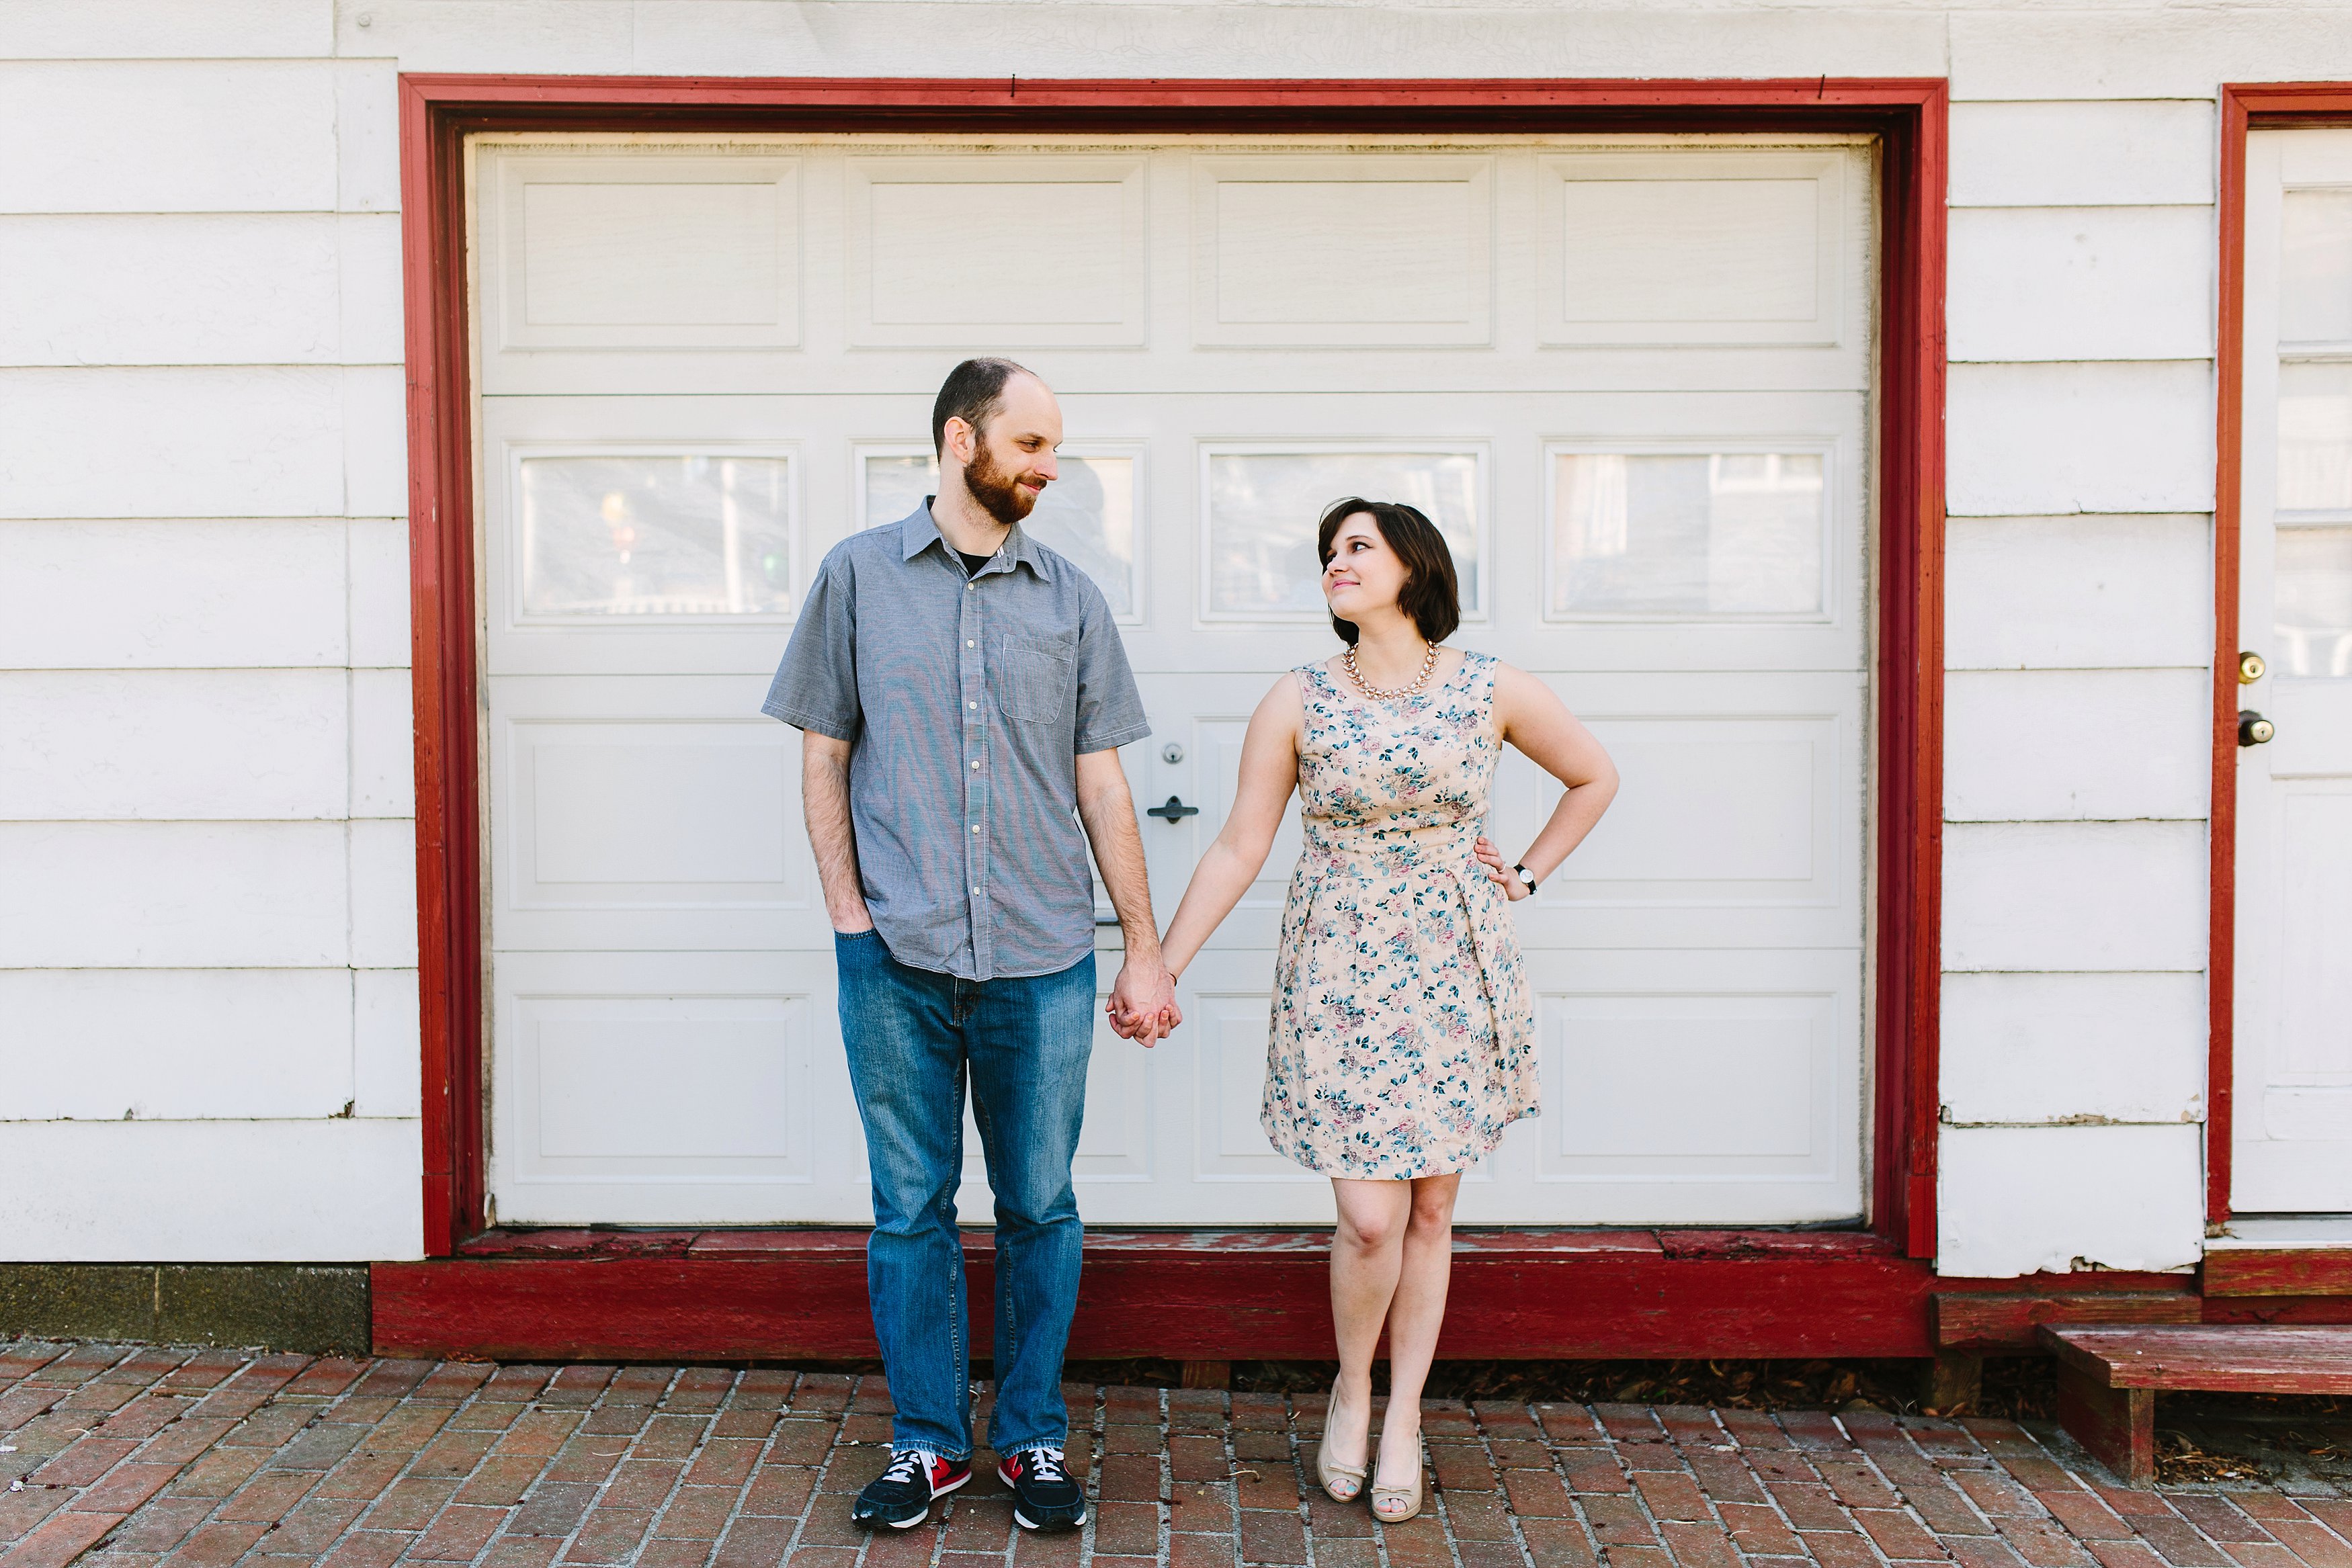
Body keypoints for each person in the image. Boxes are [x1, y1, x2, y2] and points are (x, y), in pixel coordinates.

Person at [762, 358, 1177, 1534]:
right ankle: (930, 1443)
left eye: (1056, 447)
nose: (1052, 466)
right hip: (895, 951)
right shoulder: (856, 577)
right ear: (961, 439)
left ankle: (1033, 1435)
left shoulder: (1072, 599)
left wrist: (1142, 946)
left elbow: (1103, 782)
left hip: (1044, 957)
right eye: (1034, 443)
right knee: (911, 1206)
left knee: (1040, 1201)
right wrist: (849, 915)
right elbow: (822, 754)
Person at [1149, 498, 1618, 1524]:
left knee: (1435, 1207)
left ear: (1415, 563)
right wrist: (1163, 963)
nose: (1336, 562)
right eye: (1327, 552)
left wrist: (1526, 875)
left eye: (1357, 545)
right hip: (1342, 968)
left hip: (1454, 959)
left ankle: (1404, 1409)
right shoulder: (1300, 697)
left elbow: (1593, 775)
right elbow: (1239, 844)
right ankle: (1351, 1385)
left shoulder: (1490, 686)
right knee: (1370, 1216)